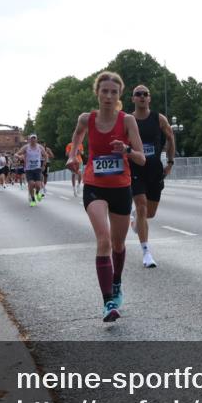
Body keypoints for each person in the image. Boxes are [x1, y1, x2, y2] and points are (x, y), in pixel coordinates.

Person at [66, 71, 146, 322]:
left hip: (121, 187)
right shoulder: (86, 119)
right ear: (97, 93)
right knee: (103, 240)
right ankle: (108, 301)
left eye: (114, 92)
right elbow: (77, 137)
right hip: (94, 185)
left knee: (118, 244)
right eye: (104, 91)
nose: (109, 96)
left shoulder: (127, 121)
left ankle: (117, 283)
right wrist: (72, 156)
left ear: (119, 95)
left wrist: (127, 149)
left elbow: (141, 158)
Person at [128, 85, 176, 268]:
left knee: (150, 213)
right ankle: (146, 252)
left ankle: (136, 221)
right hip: (135, 169)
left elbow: (171, 138)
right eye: (137, 94)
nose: (141, 96)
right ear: (133, 99)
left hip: (155, 169)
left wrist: (170, 162)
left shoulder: (159, 119)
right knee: (141, 206)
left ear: (150, 98)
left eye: (145, 94)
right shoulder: (128, 120)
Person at [16, 135, 47, 206]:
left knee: (38, 185)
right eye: (31, 139)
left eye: (34, 139)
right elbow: (18, 153)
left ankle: (37, 193)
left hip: (37, 168)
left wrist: (44, 165)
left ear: (36, 140)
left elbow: (45, 155)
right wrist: (18, 156)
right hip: (29, 169)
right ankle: (33, 200)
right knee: (31, 184)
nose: (33, 140)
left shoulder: (40, 147)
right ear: (29, 140)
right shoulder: (26, 147)